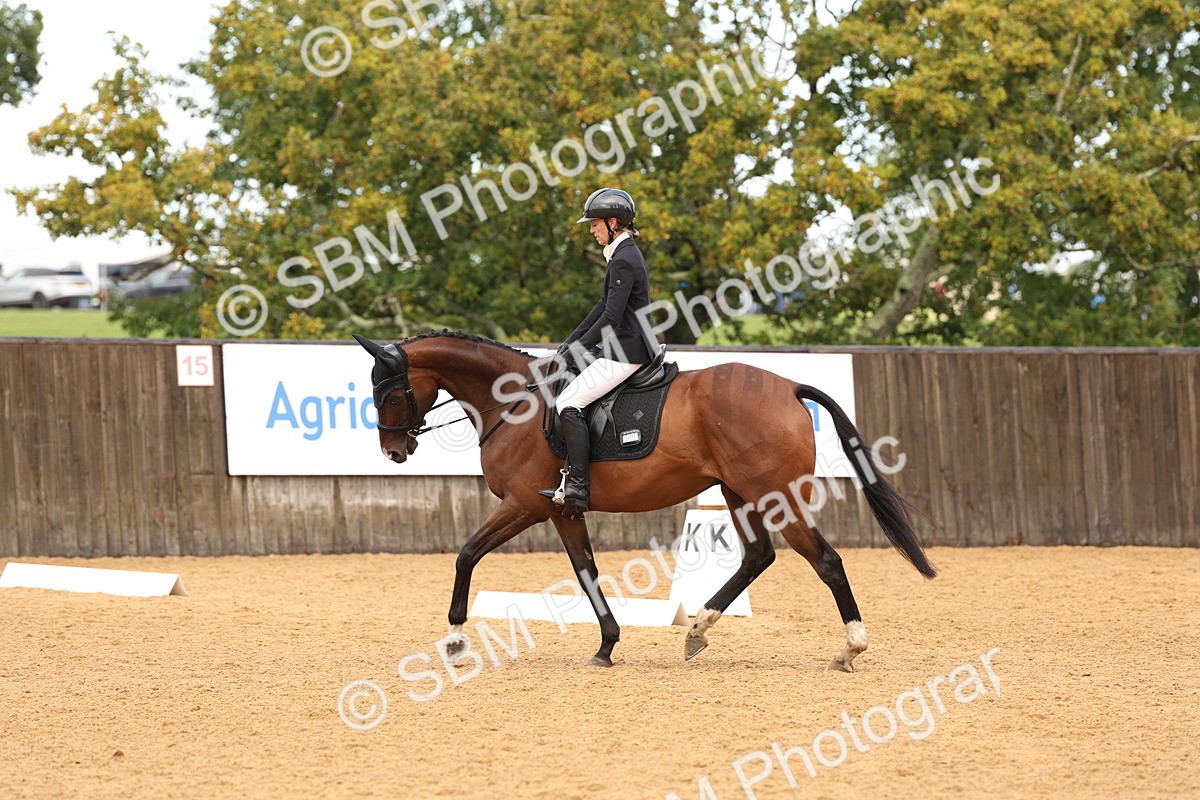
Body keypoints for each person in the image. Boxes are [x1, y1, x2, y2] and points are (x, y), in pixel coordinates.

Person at [540, 188, 658, 518]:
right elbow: (602, 307)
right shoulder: (622, 254)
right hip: (623, 345)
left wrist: (577, 350)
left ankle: (578, 484)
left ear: (613, 222)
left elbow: (611, 317)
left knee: (568, 402)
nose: (591, 231)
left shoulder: (624, 258)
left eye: (594, 225)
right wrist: (569, 344)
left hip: (629, 350)